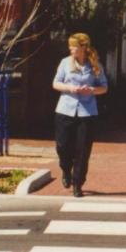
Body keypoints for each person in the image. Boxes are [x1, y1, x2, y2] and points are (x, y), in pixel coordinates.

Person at [52, 33, 108, 198]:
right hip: (65, 110)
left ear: (83, 47)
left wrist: (92, 90)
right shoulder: (64, 63)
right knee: (62, 146)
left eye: (73, 46)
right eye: (70, 46)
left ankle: (77, 184)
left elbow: (104, 87)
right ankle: (65, 169)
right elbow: (55, 83)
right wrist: (69, 88)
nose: (70, 49)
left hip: (87, 113)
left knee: (83, 151)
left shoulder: (95, 65)